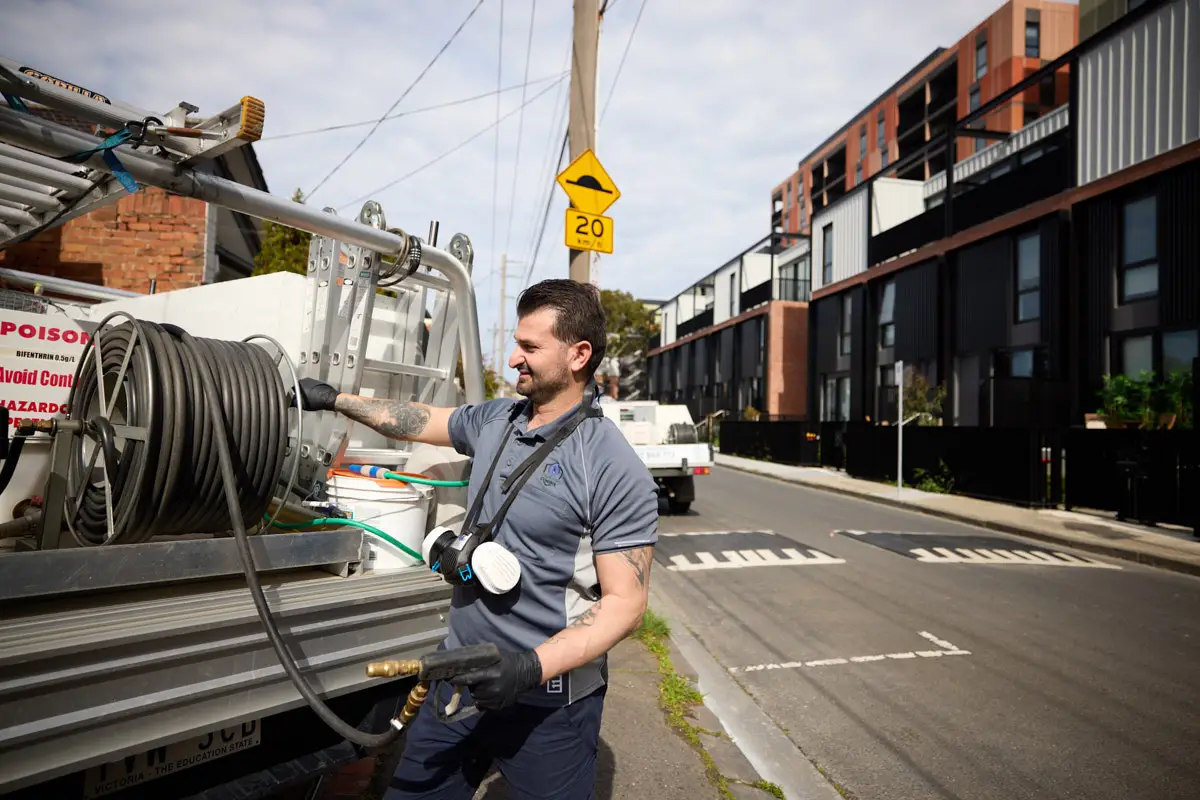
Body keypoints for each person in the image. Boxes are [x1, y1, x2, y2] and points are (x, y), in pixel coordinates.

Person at [294, 278, 660, 799]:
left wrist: (528, 668)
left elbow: (626, 605)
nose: (514, 358)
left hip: (550, 704)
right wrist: (334, 400)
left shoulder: (610, 466)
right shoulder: (497, 420)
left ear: (579, 355)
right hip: (457, 677)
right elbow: (419, 420)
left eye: (530, 347)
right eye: (517, 342)